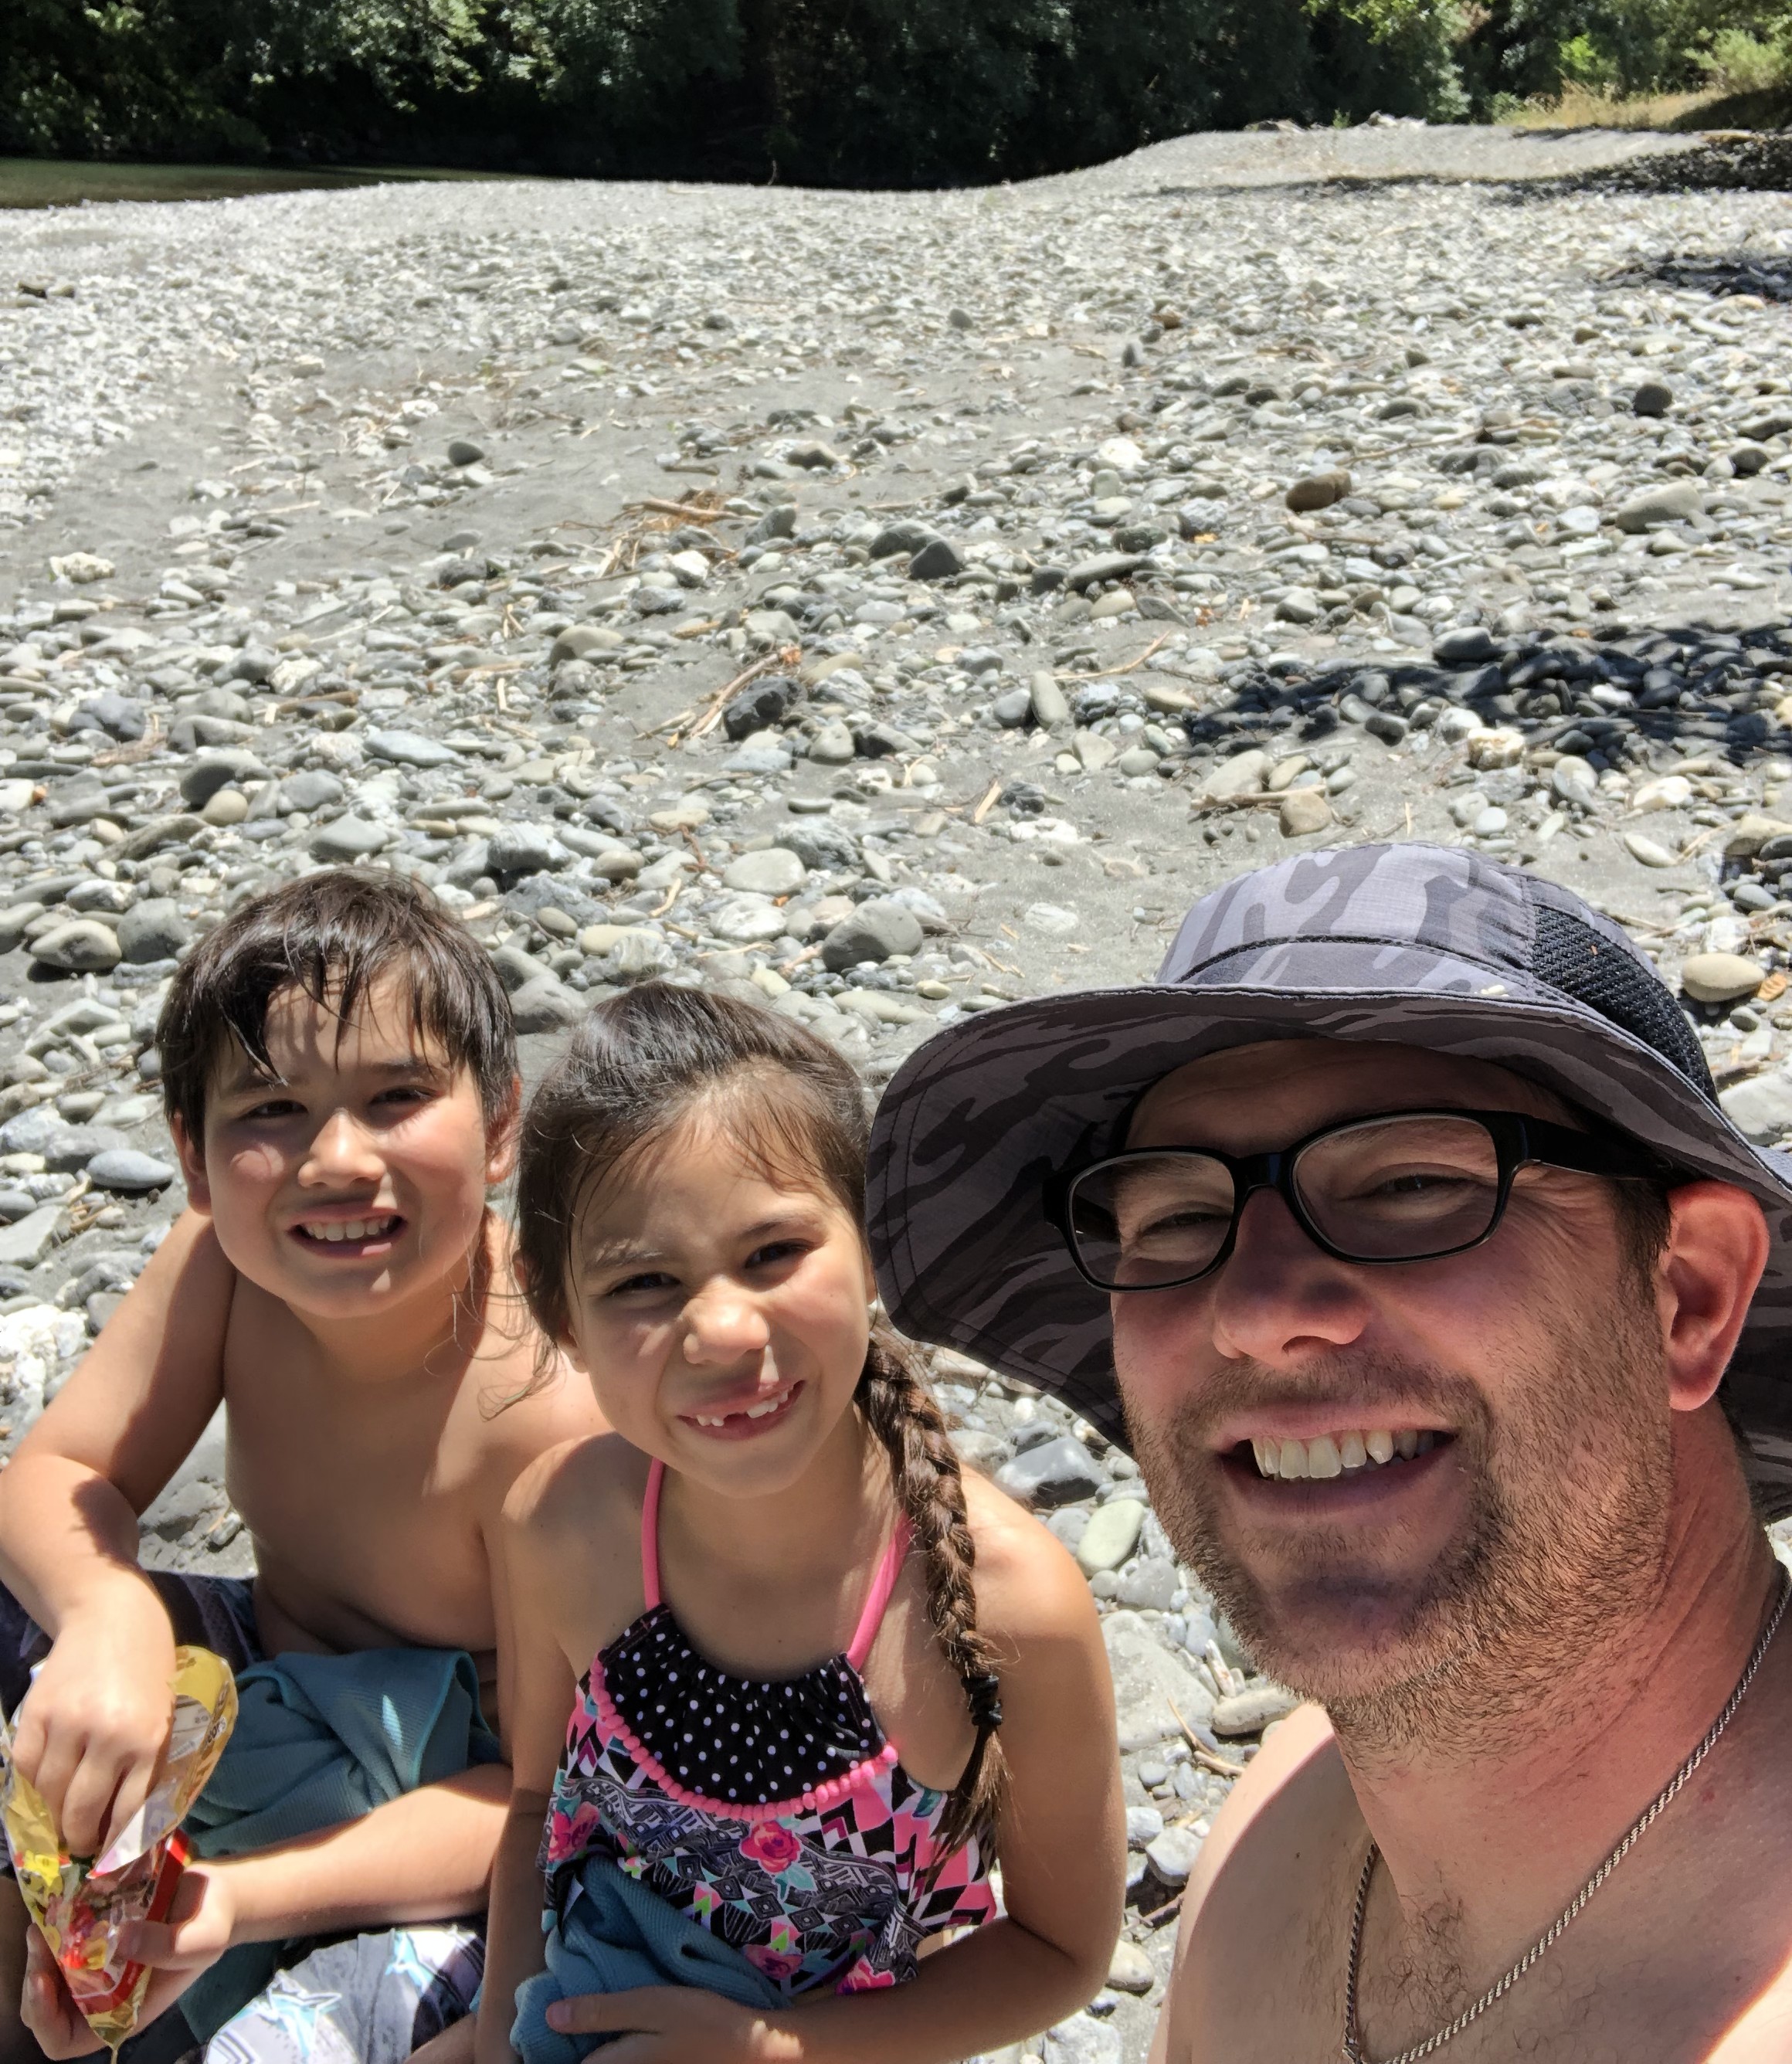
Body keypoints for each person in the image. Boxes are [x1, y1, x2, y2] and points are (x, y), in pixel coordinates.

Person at [865, 841, 1792, 2062]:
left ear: (1689, 1297)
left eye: (1410, 1185)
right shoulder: (1280, 1817)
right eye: (1180, 1216)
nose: (1257, 1312)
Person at [0, 871, 607, 2064]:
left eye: (396, 1098)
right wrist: (109, 1621)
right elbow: (61, 1471)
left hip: (451, 1826)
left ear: (500, 1127)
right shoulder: (224, 1265)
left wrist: (237, 1900)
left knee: (386, 2021)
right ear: (193, 1156)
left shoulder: (548, 1408)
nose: (335, 1158)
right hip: (264, 1673)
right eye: (272, 1110)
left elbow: (550, 1804)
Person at [479, 982, 1124, 2064]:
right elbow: (532, 1807)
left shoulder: (1015, 1606)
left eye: (773, 1253)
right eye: (644, 1281)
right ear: (560, 1316)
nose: (724, 1329)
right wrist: (499, 2042)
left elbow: (1060, 1952)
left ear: (872, 1245)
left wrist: (772, 2047)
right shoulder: (558, 1521)